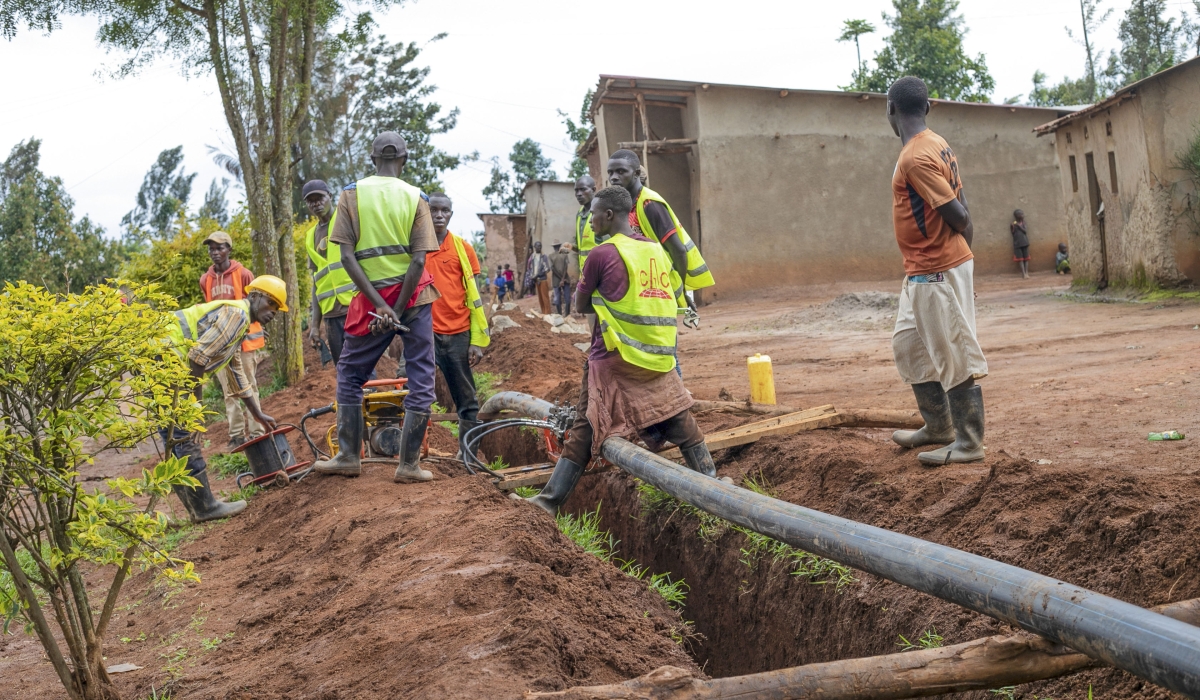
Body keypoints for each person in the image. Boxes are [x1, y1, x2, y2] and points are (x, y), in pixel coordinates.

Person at [516, 187, 719, 516]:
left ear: (609, 215)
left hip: (614, 355)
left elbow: (581, 304)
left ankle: (548, 503)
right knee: (677, 415)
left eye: (594, 214)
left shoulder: (601, 254)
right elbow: (672, 294)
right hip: (658, 355)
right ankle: (713, 482)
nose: (590, 222)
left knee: (586, 425)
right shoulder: (656, 251)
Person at [312, 132, 441, 484]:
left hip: (372, 302)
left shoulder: (351, 194)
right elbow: (417, 262)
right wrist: (397, 309)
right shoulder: (417, 198)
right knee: (421, 376)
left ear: (372, 159)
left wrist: (382, 306)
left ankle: (349, 456)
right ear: (405, 158)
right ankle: (408, 465)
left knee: (351, 373)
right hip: (414, 301)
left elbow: (347, 257)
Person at [884, 76, 988, 466]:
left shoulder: (915, 156)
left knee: (951, 353)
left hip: (936, 269)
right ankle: (939, 427)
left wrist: (957, 269)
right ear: (926, 107)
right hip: (923, 271)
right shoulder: (935, 143)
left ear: (890, 109)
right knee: (908, 345)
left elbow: (959, 214)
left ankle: (969, 442)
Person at [163, 275, 288, 522]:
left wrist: (257, 413)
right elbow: (197, 358)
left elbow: (234, 373)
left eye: (277, 308)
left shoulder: (238, 323)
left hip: (157, 357)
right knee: (185, 429)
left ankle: (195, 508)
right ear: (254, 296)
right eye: (270, 302)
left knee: (170, 432)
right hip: (167, 357)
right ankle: (205, 507)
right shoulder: (237, 315)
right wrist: (195, 407)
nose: (273, 311)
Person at [607, 149, 715, 375]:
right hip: (649, 284)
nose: (614, 177)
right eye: (611, 173)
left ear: (636, 173)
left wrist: (684, 291)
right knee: (654, 345)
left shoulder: (650, 204)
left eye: (621, 171)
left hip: (663, 283)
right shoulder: (629, 205)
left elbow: (678, 250)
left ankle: (677, 399)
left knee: (665, 349)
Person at [425, 192, 490, 452]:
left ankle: (469, 457)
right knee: (407, 389)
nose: (439, 215)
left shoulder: (463, 249)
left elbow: (474, 296)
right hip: (424, 333)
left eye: (445, 210)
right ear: (425, 213)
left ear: (451, 213)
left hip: (459, 333)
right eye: (434, 210)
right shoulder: (416, 247)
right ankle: (410, 451)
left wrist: (476, 341)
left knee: (467, 400)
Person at [199, 231, 266, 449]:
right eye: (211, 248)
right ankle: (236, 435)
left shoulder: (244, 274)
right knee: (229, 390)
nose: (215, 252)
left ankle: (256, 432)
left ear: (229, 249)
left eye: (220, 248)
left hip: (244, 342)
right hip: (220, 344)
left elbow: (255, 305)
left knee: (249, 385)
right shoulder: (205, 280)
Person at [302, 180, 357, 365]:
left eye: (320, 198)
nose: (316, 204)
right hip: (331, 314)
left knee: (362, 365)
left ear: (330, 197)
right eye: (311, 201)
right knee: (342, 367)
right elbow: (317, 282)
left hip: (355, 307)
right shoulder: (310, 237)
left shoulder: (347, 221)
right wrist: (315, 325)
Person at [574, 175, 598, 275]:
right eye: (576, 190)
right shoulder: (579, 214)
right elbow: (582, 248)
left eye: (583, 189)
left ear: (593, 190)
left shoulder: (601, 212)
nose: (579, 194)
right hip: (584, 274)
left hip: (600, 273)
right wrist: (571, 246)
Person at [550, 240, 573, 316]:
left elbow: (552, 269)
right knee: (567, 298)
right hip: (565, 278)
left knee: (557, 298)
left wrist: (560, 279)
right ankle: (567, 315)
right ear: (559, 246)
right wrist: (563, 278)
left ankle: (559, 315)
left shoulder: (551, 256)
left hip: (556, 279)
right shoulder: (564, 254)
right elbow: (566, 267)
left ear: (553, 247)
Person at [528, 241, 552, 313]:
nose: (539, 247)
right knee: (540, 298)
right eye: (538, 246)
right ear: (534, 247)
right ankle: (543, 312)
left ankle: (547, 314)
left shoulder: (544, 256)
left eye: (540, 246)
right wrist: (532, 276)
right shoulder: (532, 257)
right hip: (536, 280)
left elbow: (547, 269)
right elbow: (530, 268)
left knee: (545, 298)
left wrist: (538, 274)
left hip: (542, 279)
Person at [1011, 209, 1030, 279]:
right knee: (1020, 259)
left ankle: (1026, 272)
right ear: (1016, 216)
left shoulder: (1023, 223)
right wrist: (1015, 226)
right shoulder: (1013, 225)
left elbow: (1025, 231)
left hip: (1025, 243)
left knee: (1026, 258)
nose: (1022, 215)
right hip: (1017, 244)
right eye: (1021, 214)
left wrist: (1018, 226)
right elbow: (1013, 234)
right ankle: (1023, 273)